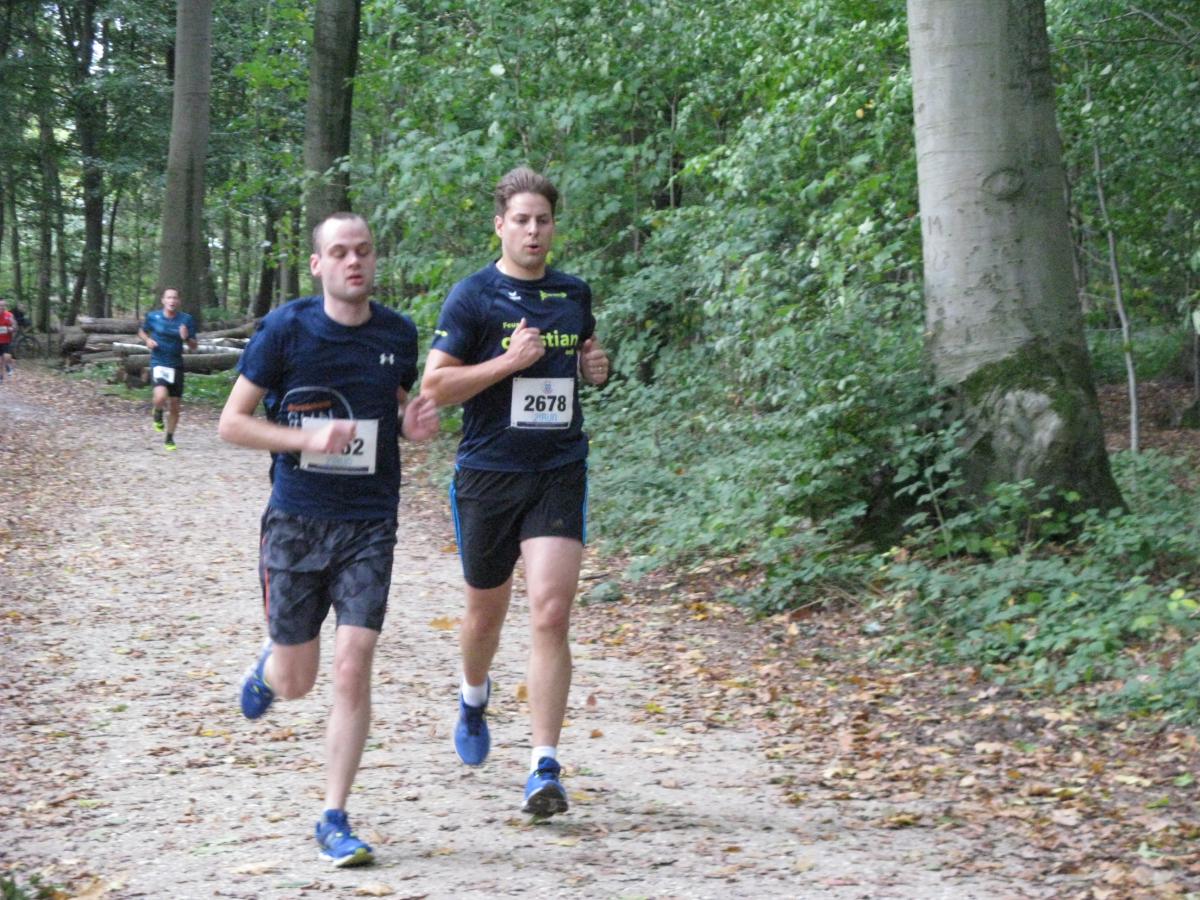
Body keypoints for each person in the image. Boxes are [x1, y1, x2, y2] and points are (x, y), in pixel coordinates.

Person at [218, 211, 439, 867]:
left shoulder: (397, 333)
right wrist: (305, 437)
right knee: (297, 682)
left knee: (353, 664)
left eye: (363, 251)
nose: (353, 261)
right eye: (339, 252)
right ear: (318, 264)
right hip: (296, 520)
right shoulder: (286, 330)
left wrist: (409, 423)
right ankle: (271, 666)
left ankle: (333, 817)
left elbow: (391, 408)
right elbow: (232, 423)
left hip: (370, 522)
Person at [421, 166, 610, 817]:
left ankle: (543, 766)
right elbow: (436, 387)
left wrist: (595, 367)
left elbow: (584, 359)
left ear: (554, 227)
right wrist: (507, 361)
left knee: (551, 613)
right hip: (488, 474)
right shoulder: (473, 297)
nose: (534, 231)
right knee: (485, 615)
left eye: (543, 220)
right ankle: (473, 694)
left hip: (558, 468)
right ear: (500, 225)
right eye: (522, 220)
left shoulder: (573, 293)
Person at [138, 287, 198, 450]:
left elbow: (194, 346)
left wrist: (186, 337)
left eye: (175, 298)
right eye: (169, 298)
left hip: (176, 365)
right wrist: (147, 340)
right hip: (159, 362)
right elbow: (142, 331)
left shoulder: (186, 319)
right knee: (160, 397)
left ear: (179, 301)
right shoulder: (153, 316)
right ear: (163, 300)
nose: (172, 301)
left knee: (175, 406)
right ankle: (157, 411)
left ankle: (169, 438)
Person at [0, 298, 16, 380]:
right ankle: (1, 376)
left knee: (6, 357)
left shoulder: (9, 315)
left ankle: (8, 365)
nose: (2, 307)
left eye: (3, 305)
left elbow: (15, 326)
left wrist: (11, 328)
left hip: (6, 340)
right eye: (0, 305)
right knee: (0, 361)